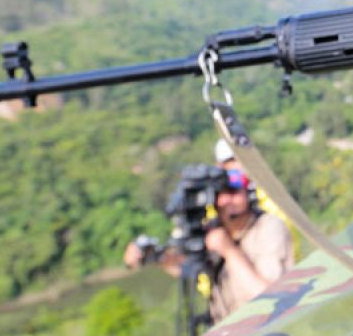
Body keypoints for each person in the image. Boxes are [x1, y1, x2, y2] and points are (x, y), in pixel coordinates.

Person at [124, 139, 294, 324]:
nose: (228, 200)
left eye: (235, 191)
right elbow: (186, 268)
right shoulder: (212, 230)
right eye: (220, 193)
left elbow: (271, 301)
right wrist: (152, 257)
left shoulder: (269, 226)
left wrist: (229, 251)